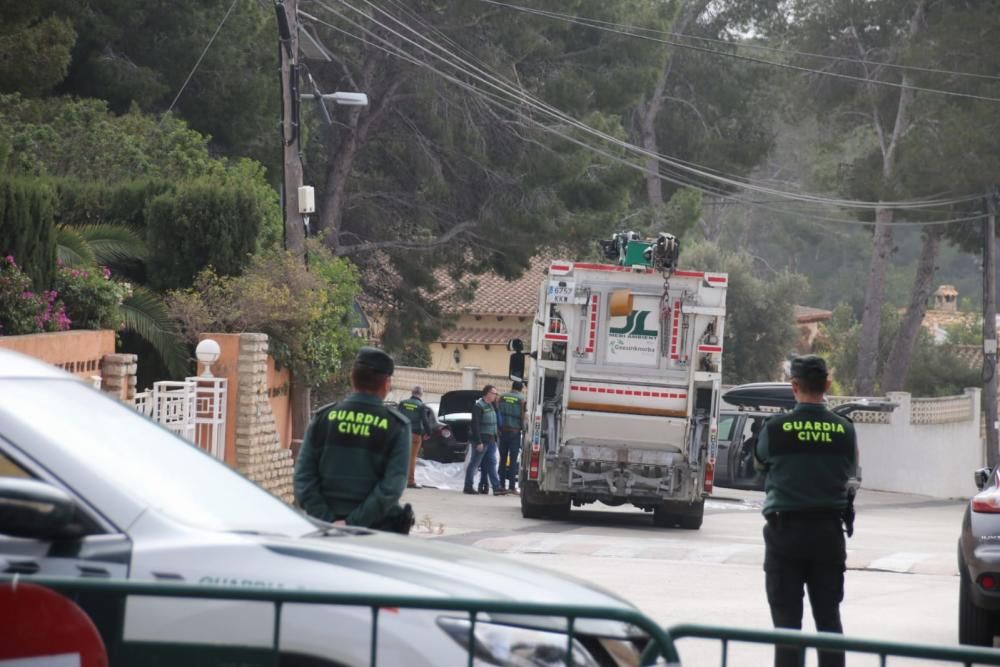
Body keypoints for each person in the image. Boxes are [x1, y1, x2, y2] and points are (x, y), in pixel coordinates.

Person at [754, 355, 857, 667]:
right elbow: (849, 467)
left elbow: (761, 465)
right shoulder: (845, 430)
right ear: (826, 385)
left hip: (785, 534)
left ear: (794, 386)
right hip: (828, 535)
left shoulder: (775, 429)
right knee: (829, 622)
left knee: (787, 627)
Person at [293, 347, 414, 533]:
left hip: (321, 532)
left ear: (352, 379)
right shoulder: (396, 426)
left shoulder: (324, 417)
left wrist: (328, 522)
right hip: (375, 533)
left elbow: (303, 478)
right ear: (386, 383)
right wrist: (352, 524)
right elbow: (392, 488)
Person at [464, 384, 506, 496]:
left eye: (496, 394)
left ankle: (496, 488)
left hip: (491, 440)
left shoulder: (491, 405)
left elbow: (496, 420)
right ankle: (468, 486)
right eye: (494, 393)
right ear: (487, 394)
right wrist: (478, 442)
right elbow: (475, 425)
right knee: (474, 464)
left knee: (492, 463)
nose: (496, 396)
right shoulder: (479, 406)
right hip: (482, 440)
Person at [398, 385, 433, 489]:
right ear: (421, 394)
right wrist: (428, 432)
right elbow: (425, 421)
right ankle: (410, 481)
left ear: (412, 392)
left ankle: (398, 479)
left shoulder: (403, 403)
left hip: (402, 433)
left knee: (401, 457)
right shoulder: (421, 406)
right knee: (412, 458)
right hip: (415, 434)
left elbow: (396, 416)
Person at [497, 381, 526, 493]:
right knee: (513, 460)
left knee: (503, 459)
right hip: (515, 433)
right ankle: (512, 487)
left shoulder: (502, 397)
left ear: (512, 387)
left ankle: (501, 485)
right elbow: (523, 416)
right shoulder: (521, 399)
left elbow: (497, 412)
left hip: (502, 432)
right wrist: (523, 429)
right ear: (521, 389)